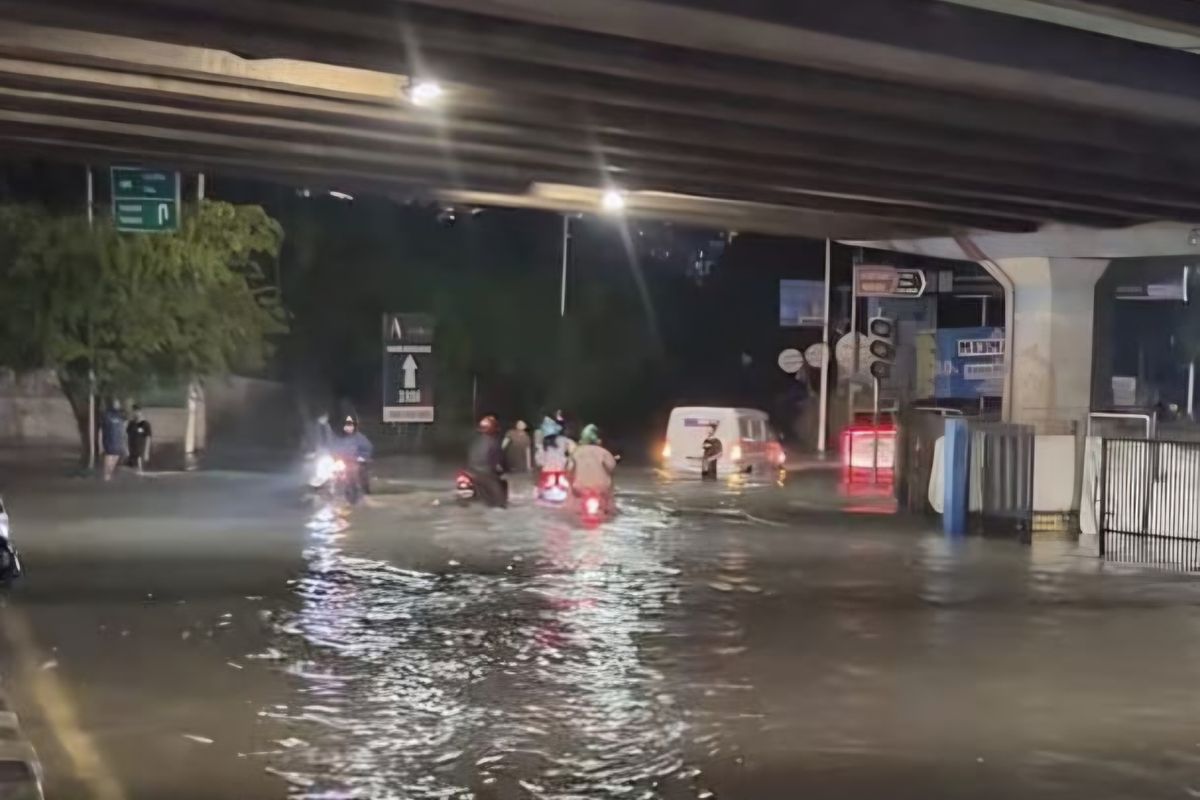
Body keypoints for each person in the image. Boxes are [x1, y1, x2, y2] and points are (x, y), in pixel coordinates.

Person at [569, 424, 618, 509]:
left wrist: (572, 486)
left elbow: (569, 470)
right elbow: (611, 469)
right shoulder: (604, 453)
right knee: (609, 504)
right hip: (601, 488)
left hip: (580, 487)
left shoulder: (576, 453)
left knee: (573, 504)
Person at [467, 415, 508, 507]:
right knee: (499, 502)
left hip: (473, 472)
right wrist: (502, 470)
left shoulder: (476, 441)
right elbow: (497, 461)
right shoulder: (493, 442)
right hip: (487, 473)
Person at [331, 415, 374, 495]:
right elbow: (330, 448)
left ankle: (364, 489)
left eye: (351, 425)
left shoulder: (359, 438)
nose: (349, 427)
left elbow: (367, 448)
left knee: (359, 470)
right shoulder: (335, 437)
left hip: (354, 461)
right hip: (339, 461)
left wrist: (361, 457)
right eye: (347, 425)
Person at [99, 400, 127, 481]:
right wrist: (101, 446)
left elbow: (123, 432)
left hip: (118, 445)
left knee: (112, 465)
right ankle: (106, 478)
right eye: (115, 403)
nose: (116, 405)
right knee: (108, 463)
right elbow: (101, 431)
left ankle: (109, 478)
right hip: (109, 443)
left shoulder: (121, 416)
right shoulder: (107, 416)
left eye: (118, 403)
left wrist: (124, 445)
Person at [125, 405, 153, 474]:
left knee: (140, 470)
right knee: (131, 471)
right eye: (134, 411)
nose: (135, 413)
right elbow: (127, 436)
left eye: (137, 411)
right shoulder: (131, 423)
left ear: (141, 412)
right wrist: (126, 449)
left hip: (141, 451)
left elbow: (148, 438)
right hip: (132, 451)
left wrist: (146, 452)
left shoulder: (145, 424)